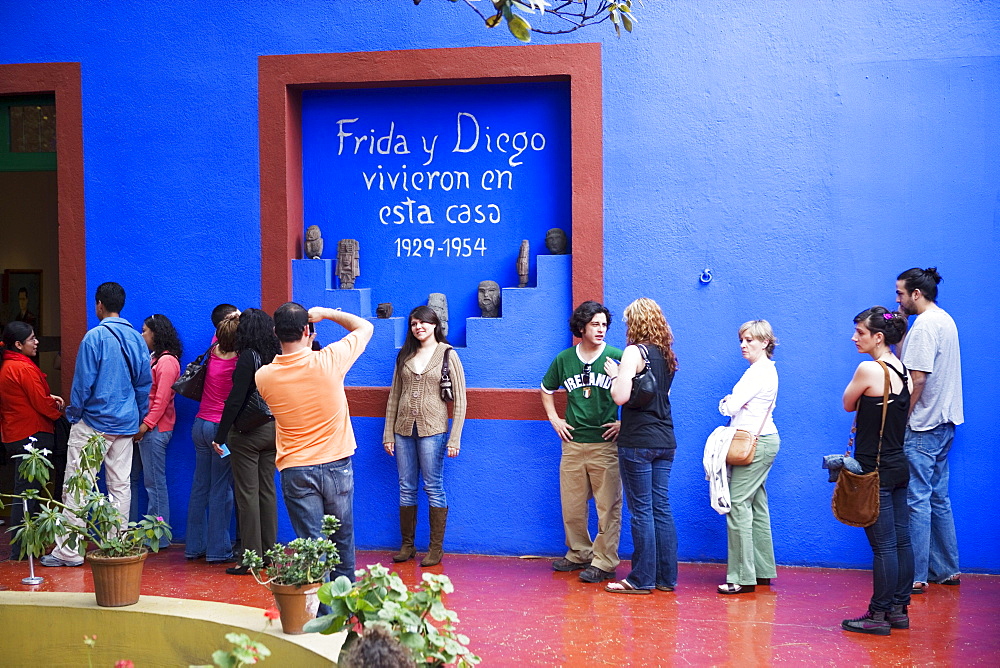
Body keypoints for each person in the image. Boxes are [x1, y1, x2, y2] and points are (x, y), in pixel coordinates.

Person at [256, 303, 373, 582]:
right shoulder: (329, 360)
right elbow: (365, 327)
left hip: (295, 468)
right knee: (342, 543)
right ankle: (343, 616)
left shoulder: (264, 376)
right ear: (308, 330)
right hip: (336, 465)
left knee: (313, 549)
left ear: (276, 333)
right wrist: (328, 313)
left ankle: (321, 614)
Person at [41, 282, 152, 567]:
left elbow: (82, 384)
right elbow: (143, 385)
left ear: (99, 304)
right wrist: (137, 416)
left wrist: (74, 414)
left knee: (77, 485)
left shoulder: (94, 337)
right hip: (125, 425)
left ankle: (69, 550)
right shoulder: (137, 339)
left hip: (93, 424)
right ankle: (115, 545)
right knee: (120, 486)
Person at [841, 306, 912, 635]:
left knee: (883, 547)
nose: (855, 338)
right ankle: (899, 609)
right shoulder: (902, 369)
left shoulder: (868, 370)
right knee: (901, 541)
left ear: (878, 337)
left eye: (861, 333)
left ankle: (877, 615)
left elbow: (847, 402)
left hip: (875, 469)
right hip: (899, 464)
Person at [540, 301, 623, 584]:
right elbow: (546, 388)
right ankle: (579, 553)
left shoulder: (617, 357)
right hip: (573, 443)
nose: (601, 330)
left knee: (608, 506)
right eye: (595, 325)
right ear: (582, 327)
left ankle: (604, 561)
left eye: (604, 325)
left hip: (605, 444)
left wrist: (626, 423)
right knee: (572, 505)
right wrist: (554, 419)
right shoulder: (565, 359)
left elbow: (644, 392)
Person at [603, 298, 679, 594]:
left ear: (634, 323)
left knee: (641, 510)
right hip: (665, 439)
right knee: (661, 507)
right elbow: (661, 395)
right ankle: (665, 578)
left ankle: (640, 579)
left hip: (638, 441)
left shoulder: (634, 352)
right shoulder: (667, 355)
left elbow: (620, 397)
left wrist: (615, 376)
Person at [895, 267, 963, 593]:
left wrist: (903, 416)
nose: (897, 300)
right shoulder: (945, 320)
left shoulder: (924, 327)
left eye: (900, 294)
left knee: (916, 500)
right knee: (939, 498)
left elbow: (917, 378)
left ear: (916, 294)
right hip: (946, 422)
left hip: (923, 425)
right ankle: (947, 569)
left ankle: (917, 575)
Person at [383, 305, 467, 567]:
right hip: (403, 430)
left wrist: (454, 438)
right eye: (413, 323)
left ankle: (435, 549)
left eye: (423, 322)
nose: (418, 327)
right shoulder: (405, 355)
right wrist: (388, 434)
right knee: (406, 487)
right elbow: (394, 397)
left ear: (434, 324)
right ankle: (407, 546)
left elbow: (461, 400)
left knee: (433, 487)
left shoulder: (447, 354)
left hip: (434, 430)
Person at [212, 308, 281, 575]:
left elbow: (235, 400)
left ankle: (251, 558)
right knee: (267, 492)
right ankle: (270, 553)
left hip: (247, 434)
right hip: (273, 429)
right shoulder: (276, 355)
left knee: (247, 495)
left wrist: (220, 435)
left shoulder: (247, 358)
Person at [714, 320, 780, 595]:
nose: (744, 345)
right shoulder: (769, 371)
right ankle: (762, 570)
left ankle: (741, 576)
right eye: (742, 340)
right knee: (756, 504)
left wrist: (726, 401)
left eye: (750, 340)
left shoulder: (756, 373)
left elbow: (728, 407)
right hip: (764, 441)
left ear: (765, 342)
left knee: (738, 503)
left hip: (753, 443)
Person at [0, 322, 64, 557]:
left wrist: (49, 398)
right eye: (32, 339)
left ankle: (28, 548)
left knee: (27, 493)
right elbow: (41, 402)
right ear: (18, 344)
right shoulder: (22, 368)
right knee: (27, 495)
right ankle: (21, 550)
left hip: (16, 434)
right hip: (31, 435)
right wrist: (57, 409)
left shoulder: (9, 365)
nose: (36, 342)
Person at [185, 311, 238, 563]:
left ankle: (194, 546)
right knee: (221, 489)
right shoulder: (240, 359)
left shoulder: (213, 350)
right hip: (221, 432)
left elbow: (223, 332)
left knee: (199, 486)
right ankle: (218, 550)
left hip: (200, 425)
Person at [129, 314, 182, 548]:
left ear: (155, 334)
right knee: (133, 480)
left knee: (154, 483)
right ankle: (131, 532)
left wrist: (144, 426)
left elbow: (161, 400)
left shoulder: (167, 362)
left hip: (154, 430)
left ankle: (158, 537)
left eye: (145, 331)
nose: (142, 335)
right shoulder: (153, 359)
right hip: (144, 430)